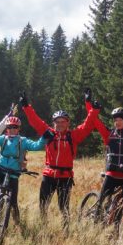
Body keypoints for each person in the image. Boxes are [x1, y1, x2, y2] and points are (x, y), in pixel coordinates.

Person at [19, 91, 101, 226]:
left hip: (65, 177)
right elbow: (35, 121)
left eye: (63, 121)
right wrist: (26, 106)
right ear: (54, 123)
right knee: (43, 205)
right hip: (49, 175)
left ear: (68, 123)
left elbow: (87, 125)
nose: (60, 124)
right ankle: (43, 227)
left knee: (64, 207)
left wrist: (94, 110)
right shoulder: (49, 134)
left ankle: (66, 229)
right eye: (57, 122)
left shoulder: (73, 136)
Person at [0, 116, 48, 218]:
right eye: (9, 127)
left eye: (15, 127)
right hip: (1, 167)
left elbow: (36, 146)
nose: (12, 129)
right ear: (6, 129)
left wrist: (44, 138)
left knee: (13, 201)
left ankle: (17, 222)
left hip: (14, 172)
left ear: (18, 129)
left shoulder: (23, 141)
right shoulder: (3, 138)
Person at [84, 89, 123, 210]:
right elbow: (94, 120)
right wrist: (88, 103)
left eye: (120, 120)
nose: (117, 122)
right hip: (112, 174)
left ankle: (116, 220)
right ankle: (97, 216)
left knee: (120, 204)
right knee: (101, 201)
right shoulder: (109, 134)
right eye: (115, 120)